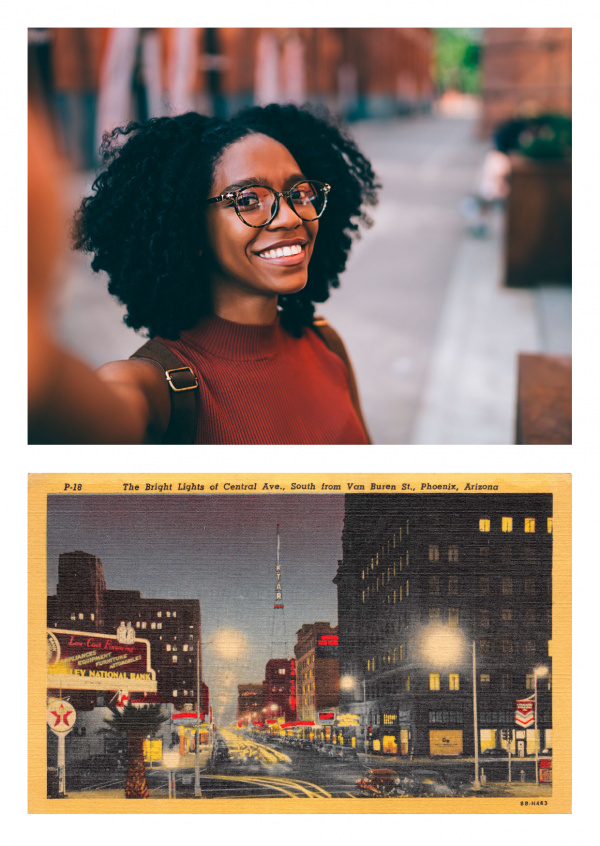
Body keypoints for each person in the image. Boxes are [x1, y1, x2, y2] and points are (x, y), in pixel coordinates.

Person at [32, 103, 379, 443]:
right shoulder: (155, 389)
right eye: (247, 200)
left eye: (300, 193)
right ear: (192, 227)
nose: (290, 217)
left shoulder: (326, 344)